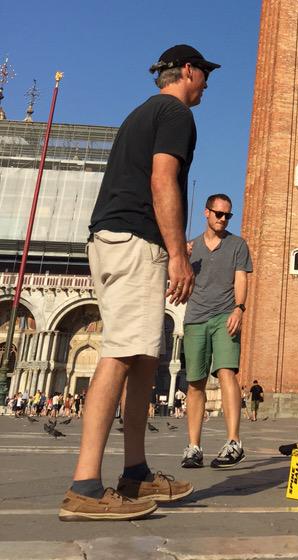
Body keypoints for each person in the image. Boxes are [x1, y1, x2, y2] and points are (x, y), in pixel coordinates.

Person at [59, 44, 218, 522]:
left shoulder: (142, 112)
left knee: (144, 355)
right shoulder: (175, 113)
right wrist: (178, 254)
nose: (207, 84)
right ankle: (85, 485)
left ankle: (136, 473)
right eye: (204, 75)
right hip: (136, 240)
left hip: (114, 238)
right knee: (121, 352)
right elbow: (162, 180)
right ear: (187, 71)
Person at [181, 194, 252, 469]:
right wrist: (181, 255)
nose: (223, 219)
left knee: (227, 372)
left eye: (227, 215)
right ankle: (193, 447)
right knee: (195, 382)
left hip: (225, 316)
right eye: (218, 214)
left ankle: (234, 442)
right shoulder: (191, 247)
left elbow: (241, 278)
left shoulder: (237, 245)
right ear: (206, 213)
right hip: (195, 318)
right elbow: (176, 276)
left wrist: (239, 309)